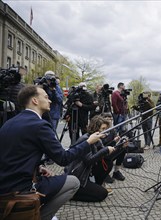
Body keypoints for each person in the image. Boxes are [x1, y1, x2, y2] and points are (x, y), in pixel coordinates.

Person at [0, 85, 105, 220]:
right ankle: (41, 216)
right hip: (21, 188)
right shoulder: (40, 125)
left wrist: (38, 167)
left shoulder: (9, 123)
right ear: (35, 101)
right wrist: (88, 142)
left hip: (4, 185)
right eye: (46, 97)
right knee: (73, 182)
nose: (50, 101)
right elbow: (63, 158)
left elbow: (15, 153)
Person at [67, 115, 128, 202]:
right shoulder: (86, 139)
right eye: (103, 129)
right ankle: (72, 194)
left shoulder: (97, 139)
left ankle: (95, 185)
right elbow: (88, 161)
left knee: (108, 162)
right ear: (96, 128)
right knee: (102, 194)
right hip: (78, 177)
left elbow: (106, 157)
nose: (105, 131)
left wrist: (120, 147)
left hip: (88, 173)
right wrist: (106, 150)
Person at [101, 112, 127, 183]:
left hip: (111, 150)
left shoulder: (113, 129)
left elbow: (115, 141)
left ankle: (116, 171)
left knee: (123, 149)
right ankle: (104, 174)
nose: (110, 121)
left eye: (111, 119)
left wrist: (120, 142)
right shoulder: (101, 130)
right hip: (102, 154)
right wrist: (113, 141)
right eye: (108, 119)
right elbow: (101, 146)